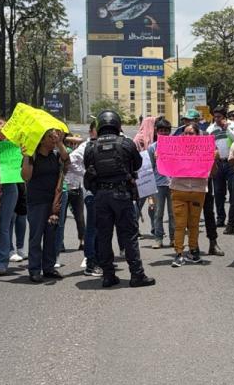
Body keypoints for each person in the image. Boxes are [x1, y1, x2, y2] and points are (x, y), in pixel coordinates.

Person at [83, 110, 155, 287]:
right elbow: (137, 164)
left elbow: (87, 166)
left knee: (104, 236)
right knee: (129, 236)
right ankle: (137, 275)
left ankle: (108, 276)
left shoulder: (91, 147)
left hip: (100, 196)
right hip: (122, 194)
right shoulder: (126, 143)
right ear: (117, 124)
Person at [23, 129, 68, 282]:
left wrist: (60, 142)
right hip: (37, 201)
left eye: (54, 136)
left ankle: (49, 267)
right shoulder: (32, 156)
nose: (53, 139)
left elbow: (66, 160)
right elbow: (26, 176)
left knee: (51, 235)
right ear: (41, 140)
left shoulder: (55, 155)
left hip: (53, 201)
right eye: (50, 137)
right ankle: (34, 269)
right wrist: (26, 156)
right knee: (36, 236)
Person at [169, 123, 209, 267]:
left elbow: (212, 171)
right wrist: (160, 158)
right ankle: (179, 253)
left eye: (191, 133)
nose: (187, 136)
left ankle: (193, 251)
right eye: (185, 133)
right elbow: (166, 166)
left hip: (197, 190)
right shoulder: (175, 149)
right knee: (180, 225)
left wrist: (213, 158)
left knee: (194, 224)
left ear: (198, 135)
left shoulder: (205, 150)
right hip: (179, 189)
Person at [0, 118, 23, 275]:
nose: (6, 131)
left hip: (10, 187)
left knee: (5, 226)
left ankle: (1, 262)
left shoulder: (12, 145)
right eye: (4, 127)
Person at [69, 120, 100, 275]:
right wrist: (85, 173)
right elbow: (70, 160)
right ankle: (90, 262)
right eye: (98, 129)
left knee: (103, 228)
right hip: (92, 192)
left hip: (105, 193)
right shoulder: (86, 146)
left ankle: (100, 259)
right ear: (91, 131)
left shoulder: (109, 143)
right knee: (92, 227)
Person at [146, 117, 175, 249]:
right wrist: (149, 193)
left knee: (173, 213)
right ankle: (158, 238)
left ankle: (173, 238)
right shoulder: (152, 148)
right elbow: (149, 169)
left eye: (166, 130)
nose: (163, 133)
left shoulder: (175, 146)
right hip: (158, 185)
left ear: (169, 131)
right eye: (161, 130)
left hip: (173, 183)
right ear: (156, 132)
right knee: (158, 213)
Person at [207, 107, 232, 227]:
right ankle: (220, 217)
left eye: (219, 117)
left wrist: (227, 129)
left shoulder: (232, 126)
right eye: (215, 116)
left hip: (232, 163)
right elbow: (207, 146)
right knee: (218, 192)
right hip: (217, 163)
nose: (217, 119)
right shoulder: (210, 129)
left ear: (224, 117)